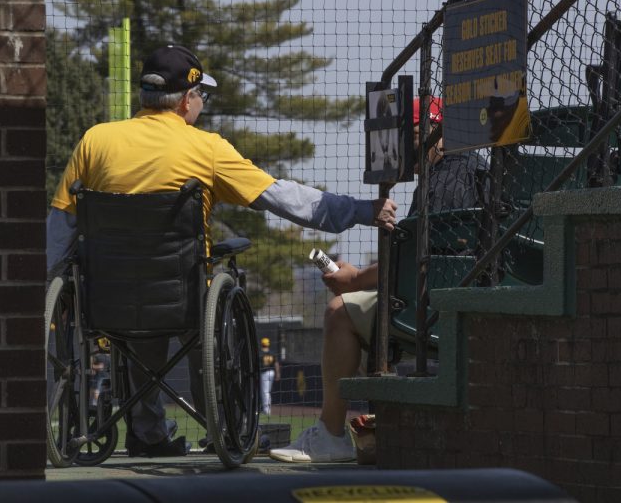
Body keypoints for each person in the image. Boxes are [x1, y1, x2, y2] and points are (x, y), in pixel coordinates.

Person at [47, 44, 397, 457]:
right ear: (185, 101)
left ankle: (148, 431)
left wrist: (53, 286)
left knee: (137, 323)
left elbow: (58, 233)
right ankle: (224, 426)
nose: (202, 106)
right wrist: (360, 210)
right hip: (183, 297)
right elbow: (285, 198)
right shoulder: (207, 149)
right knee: (202, 309)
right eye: (202, 97)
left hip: (107, 298)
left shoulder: (95, 141)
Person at [269, 96, 489, 463]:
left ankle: (331, 435)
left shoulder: (446, 179)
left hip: (439, 304)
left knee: (340, 311)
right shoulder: (462, 168)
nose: (394, 149)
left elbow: (423, 260)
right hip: (451, 295)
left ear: (425, 131)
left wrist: (354, 279)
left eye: (401, 137)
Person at [259, 337, 281, 415]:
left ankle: (266, 410)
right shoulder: (272, 353)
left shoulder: (260, 353)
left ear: (262, 344)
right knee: (267, 392)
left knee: (265, 392)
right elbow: (276, 364)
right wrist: (278, 373)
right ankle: (267, 409)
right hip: (272, 372)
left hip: (264, 373)